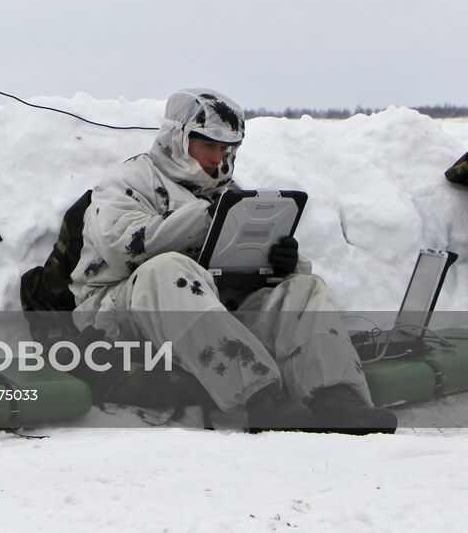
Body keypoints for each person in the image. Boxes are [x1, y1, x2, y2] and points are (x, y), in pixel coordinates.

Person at [69, 88, 396, 432]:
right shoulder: (127, 182)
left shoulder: (228, 192)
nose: (217, 157)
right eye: (208, 145)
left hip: (206, 314)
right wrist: (202, 220)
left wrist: (280, 265)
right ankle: (258, 399)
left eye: (226, 148)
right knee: (167, 271)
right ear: (177, 138)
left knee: (302, 287)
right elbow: (123, 251)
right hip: (116, 315)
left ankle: (334, 397)